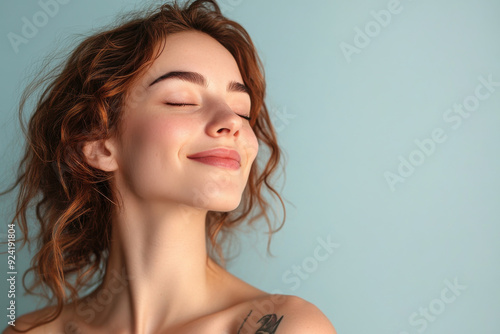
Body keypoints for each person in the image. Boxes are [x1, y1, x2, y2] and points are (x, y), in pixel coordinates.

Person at [2, 0, 336, 333]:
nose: (231, 123)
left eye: (242, 110)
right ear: (99, 146)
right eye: (181, 101)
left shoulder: (286, 326)